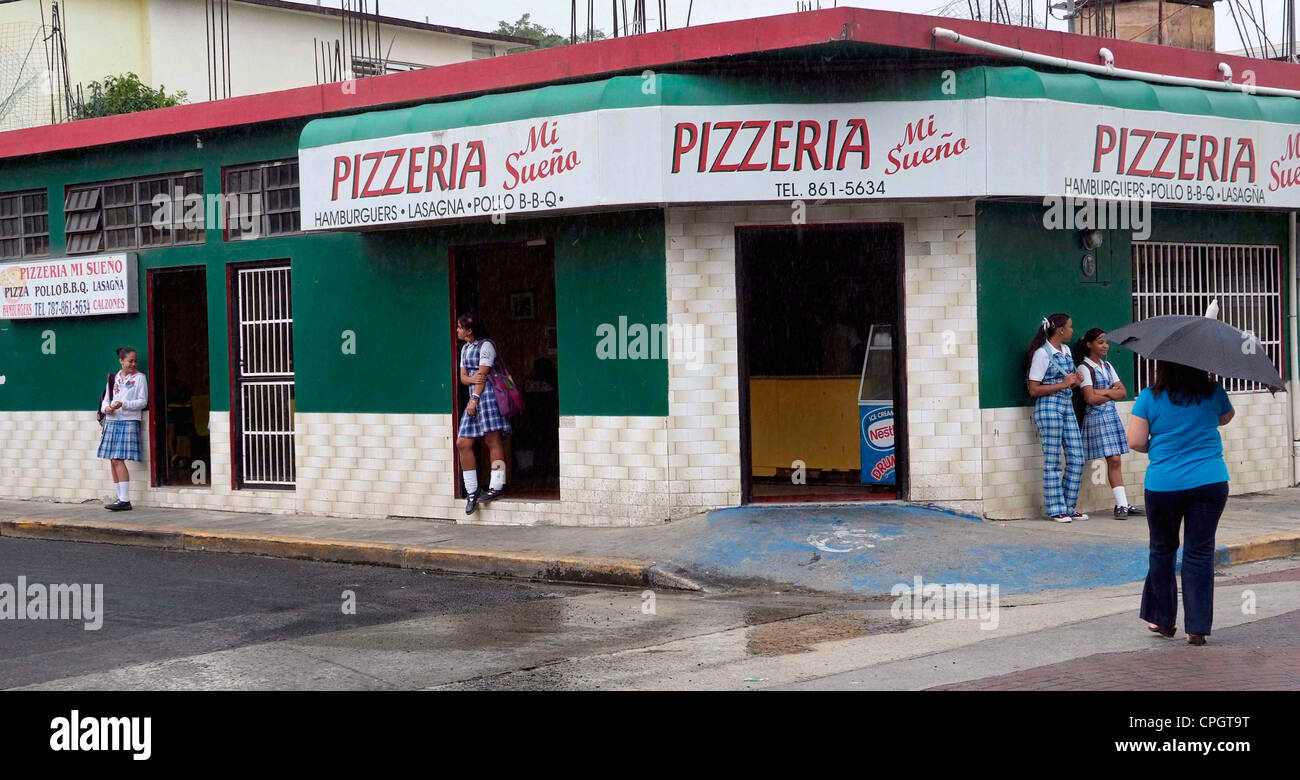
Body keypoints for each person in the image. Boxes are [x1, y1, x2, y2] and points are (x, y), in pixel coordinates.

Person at [1127, 360, 1234, 646]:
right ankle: (1196, 628)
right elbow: (1226, 417)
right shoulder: (1213, 391)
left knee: (1162, 550)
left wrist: (1160, 443)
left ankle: (1162, 619)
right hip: (1210, 482)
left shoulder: (1149, 396)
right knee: (1199, 553)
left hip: (1164, 484)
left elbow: (1135, 441)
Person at [1072, 328, 1144, 519]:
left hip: (1110, 416)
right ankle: (1120, 505)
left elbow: (1122, 392)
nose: (1105, 346)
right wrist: (1108, 392)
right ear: (1089, 345)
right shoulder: (1084, 368)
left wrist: (1102, 392)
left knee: (1116, 460)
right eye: (1100, 342)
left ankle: (1122, 504)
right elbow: (1089, 398)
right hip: (1097, 417)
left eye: (1106, 342)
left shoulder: (1108, 366)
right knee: (1113, 459)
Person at [1025, 313, 1088, 522]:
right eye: (1070, 327)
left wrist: (1075, 381)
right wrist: (1062, 384)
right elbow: (1033, 389)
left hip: (1066, 405)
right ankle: (1056, 508)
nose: (1072, 331)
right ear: (1060, 330)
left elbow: (1068, 380)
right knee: (1052, 461)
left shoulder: (1067, 351)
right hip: (1049, 407)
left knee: (1077, 458)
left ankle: (1069, 506)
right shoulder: (1042, 354)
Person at [455, 313, 510, 515]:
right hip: (473, 398)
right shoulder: (465, 349)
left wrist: (474, 398)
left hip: (486, 399)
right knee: (463, 443)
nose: (458, 331)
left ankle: (497, 484)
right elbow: (464, 378)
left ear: (470, 330)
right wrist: (472, 379)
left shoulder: (486, 346)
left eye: (460, 327)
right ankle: (472, 490)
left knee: (492, 441)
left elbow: (483, 375)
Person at [98, 346, 149, 511]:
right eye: (130, 361)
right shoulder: (113, 378)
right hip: (112, 420)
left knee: (118, 459)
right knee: (112, 460)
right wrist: (107, 409)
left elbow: (142, 401)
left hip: (128, 420)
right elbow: (105, 400)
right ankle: (119, 497)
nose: (133, 364)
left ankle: (125, 499)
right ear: (121, 361)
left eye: (135, 361)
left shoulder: (140, 378)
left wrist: (124, 404)